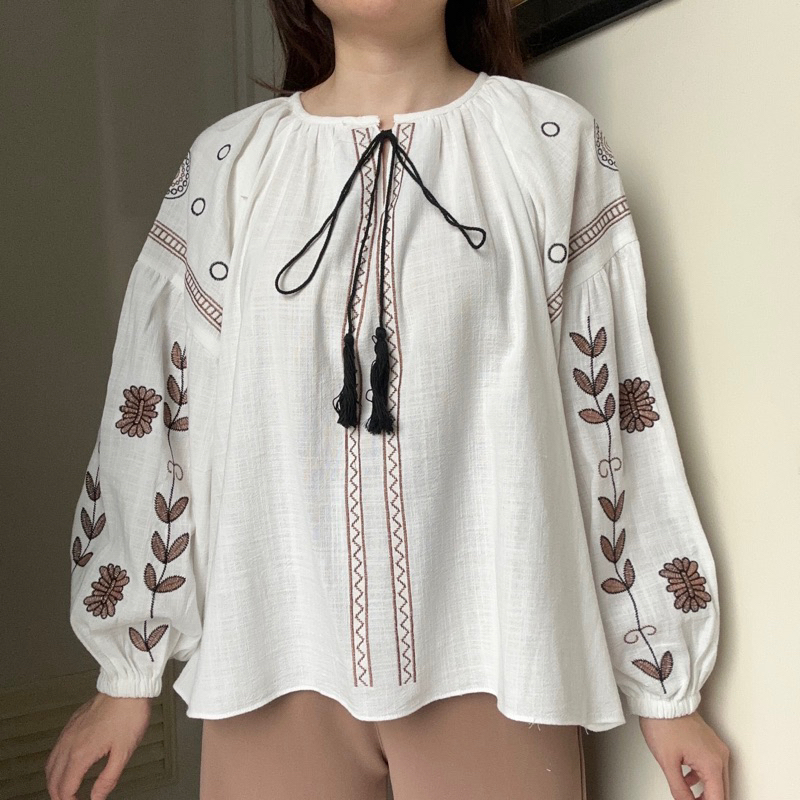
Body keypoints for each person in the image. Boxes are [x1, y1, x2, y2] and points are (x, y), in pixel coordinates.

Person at [46, 1, 731, 798]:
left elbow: (613, 414)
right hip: (273, 654)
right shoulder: (229, 165)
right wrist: (125, 672)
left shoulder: (548, 144)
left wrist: (665, 682)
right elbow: (157, 411)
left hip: (498, 655)